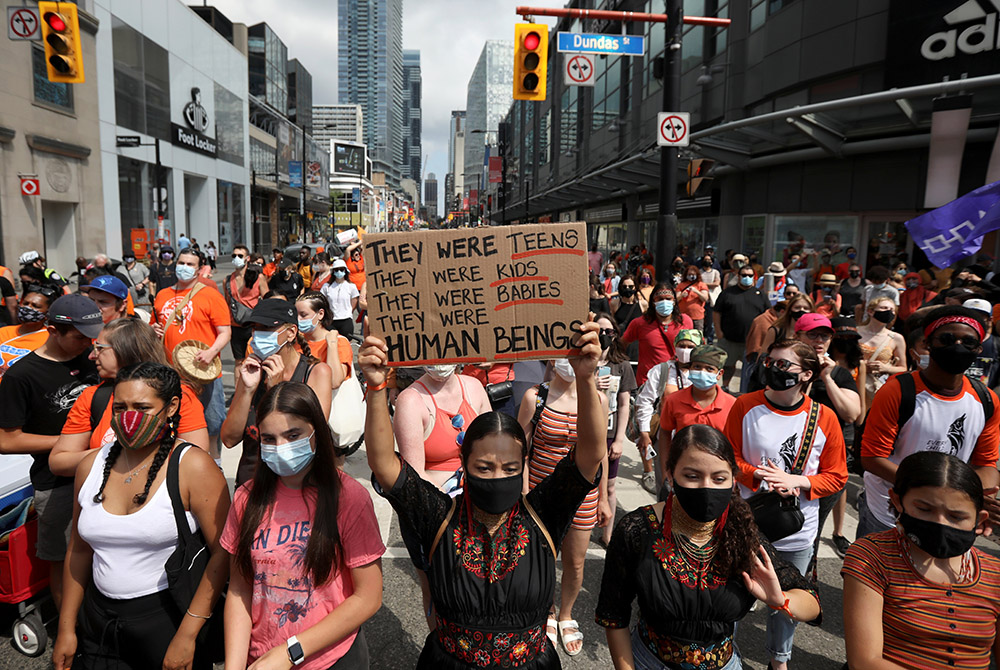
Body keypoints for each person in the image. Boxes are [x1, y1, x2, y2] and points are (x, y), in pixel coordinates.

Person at [361, 319, 606, 669]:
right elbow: (386, 465)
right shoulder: (439, 517)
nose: (498, 477)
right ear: (464, 463)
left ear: (524, 462)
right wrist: (375, 388)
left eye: (509, 468)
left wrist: (586, 378)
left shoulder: (542, 515)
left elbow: (590, 454)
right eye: (484, 468)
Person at [51, 363, 229, 670]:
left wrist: (187, 634)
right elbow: (78, 551)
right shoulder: (90, 466)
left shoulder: (193, 466)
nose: (129, 418)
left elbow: (224, 554)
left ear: (172, 407)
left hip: (167, 620)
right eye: (120, 408)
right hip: (98, 621)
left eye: (142, 407)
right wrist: (67, 627)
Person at [597, 425, 821, 670]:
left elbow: (812, 603)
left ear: (733, 480)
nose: (707, 487)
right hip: (649, 662)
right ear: (670, 475)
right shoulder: (637, 530)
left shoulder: (741, 531)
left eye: (719, 478)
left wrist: (780, 600)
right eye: (692, 476)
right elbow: (614, 614)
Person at [222, 382, 384, 669]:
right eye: (269, 439)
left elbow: (368, 596)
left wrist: (290, 652)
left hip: (330, 660)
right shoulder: (246, 498)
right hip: (261, 659)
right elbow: (239, 589)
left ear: (316, 433)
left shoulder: (349, 498)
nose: (280, 447)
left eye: (293, 435)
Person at [726, 340, 847, 670]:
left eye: (783, 365)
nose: (772, 369)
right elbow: (730, 458)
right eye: (770, 362)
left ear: (806, 374)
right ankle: (725, 654)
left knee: (786, 601)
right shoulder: (745, 406)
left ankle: (779, 660)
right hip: (751, 521)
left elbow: (837, 476)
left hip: (798, 529)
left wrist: (800, 482)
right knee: (737, 592)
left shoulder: (824, 417)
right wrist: (760, 477)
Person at [843, 451, 1000, 670]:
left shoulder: (995, 574)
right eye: (925, 509)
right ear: (898, 501)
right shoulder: (872, 557)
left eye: (956, 517)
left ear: (979, 518)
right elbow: (864, 662)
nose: (940, 523)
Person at [858, 306, 1000, 539]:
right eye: (946, 338)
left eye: (968, 341)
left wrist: (982, 497)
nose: (957, 346)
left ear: (979, 349)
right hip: (889, 514)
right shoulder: (898, 391)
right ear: (928, 343)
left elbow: (986, 463)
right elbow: (872, 458)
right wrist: (946, 492)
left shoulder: (986, 400)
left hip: (947, 517)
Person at [0, 294, 102, 611]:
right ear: (53, 330)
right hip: (56, 482)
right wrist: (69, 442)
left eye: (93, 336)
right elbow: (7, 441)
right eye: (80, 337)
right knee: (64, 559)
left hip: (102, 470)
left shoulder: (92, 358)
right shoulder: (21, 376)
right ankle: (69, 625)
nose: (89, 343)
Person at [519, 356, 611, 656]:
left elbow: (602, 453)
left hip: (584, 498)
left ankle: (566, 614)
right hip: (541, 495)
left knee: (575, 562)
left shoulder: (597, 398)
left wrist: (606, 497)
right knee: (542, 558)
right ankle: (546, 609)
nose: (569, 362)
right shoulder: (535, 397)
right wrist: (522, 492)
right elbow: (521, 450)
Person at [394, 360, 491, 628]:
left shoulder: (474, 387)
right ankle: (440, 648)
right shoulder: (410, 401)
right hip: (435, 517)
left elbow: (494, 447)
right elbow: (415, 475)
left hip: (479, 510)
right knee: (437, 593)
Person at [50, 317, 209, 476]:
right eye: (119, 408)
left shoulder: (180, 395)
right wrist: (114, 453)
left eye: (99, 348)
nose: (92, 356)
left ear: (126, 350)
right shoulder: (92, 396)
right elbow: (60, 461)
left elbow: (196, 457)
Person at [221, 299, 332, 486]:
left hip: (298, 486)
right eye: (255, 328)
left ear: (290, 333)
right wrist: (247, 390)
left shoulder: (315, 372)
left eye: (266, 328)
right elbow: (229, 439)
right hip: (252, 485)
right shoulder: (251, 372)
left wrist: (277, 391)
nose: (258, 335)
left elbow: (317, 435)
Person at [794, 313, 861, 564]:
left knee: (813, 528)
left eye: (825, 335)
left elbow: (852, 413)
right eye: (813, 334)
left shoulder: (840, 374)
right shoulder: (786, 369)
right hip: (793, 457)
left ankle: (805, 576)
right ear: (797, 336)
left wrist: (826, 378)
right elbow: (795, 406)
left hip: (827, 463)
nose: (819, 340)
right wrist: (808, 374)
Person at [151, 248, 230, 459]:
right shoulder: (162, 295)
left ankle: (214, 463)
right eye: (181, 262)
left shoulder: (210, 295)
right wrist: (154, 330)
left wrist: (212, 352)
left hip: (204, 372)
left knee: (212, 424)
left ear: (199, 269)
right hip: (171, 372)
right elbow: (155, 326)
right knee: (173, 423)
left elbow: (225, 332)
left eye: (190, 264)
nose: (183, 267)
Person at [656, 346, 736, 481]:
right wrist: (666, 470)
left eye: (709, 369)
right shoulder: (674, 400)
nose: (702, 372)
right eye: (697, 367)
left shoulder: (732, 405)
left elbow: (737, 444)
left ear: (720, 373)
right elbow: (665, 433)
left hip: (718, 476)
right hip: (684, 473)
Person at [595, 312, 637, 547]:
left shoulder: (621, 365)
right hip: (584, 434)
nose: (603, 336)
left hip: (610, 435)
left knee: (610, 486)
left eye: (608, 332)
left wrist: (620, 439)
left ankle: (607, 535)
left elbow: (624, 404)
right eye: (599, 331)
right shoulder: (581, 363)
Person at [622, 283, 694, 386]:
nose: (664, 302)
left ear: (674, 301)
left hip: (676, 381)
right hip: (648, 383)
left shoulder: (685, 321)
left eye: (668, 298)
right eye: (660, 299)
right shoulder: (639, 323)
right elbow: (621, 345)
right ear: (653, 302)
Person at [713, 264, 771, 389]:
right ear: (738, 276)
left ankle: (746, 391)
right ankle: (725, 387)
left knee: (750, 370)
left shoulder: (760, 295)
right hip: (729, 339)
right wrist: (718, 332)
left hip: (752, 342)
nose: (747, 277)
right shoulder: (727, 293)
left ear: (754, 277)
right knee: (728, 366)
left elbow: (768, 315)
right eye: (744, 275)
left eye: (750, 275)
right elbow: (717, 312)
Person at [295, 292, 356, 391]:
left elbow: (334, 382)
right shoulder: (296, 341)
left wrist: (332, 345)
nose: (298, 319)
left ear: (320, 314)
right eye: (296, 314)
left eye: (303, 315)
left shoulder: (339, 342)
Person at [0, 282, 59, 377]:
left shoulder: (49, 340)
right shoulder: (3, 332)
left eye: (36, 306)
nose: (28, 308)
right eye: (25, 303)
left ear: (47, 313)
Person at [857, 296, 907, 410]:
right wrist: (861, 365)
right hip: (856, 383)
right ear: (870, 311)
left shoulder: (896, 338)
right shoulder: (856, 332)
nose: (889, 311)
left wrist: (885, 368)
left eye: (892, 310)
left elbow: (903, 368)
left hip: (878, 386)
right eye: (884, 308)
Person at [224, 245, 269, 366]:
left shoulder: (258, 278)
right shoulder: (227, 280)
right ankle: (238, 385)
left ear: (247, 258)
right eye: (234, 255)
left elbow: (267, 300)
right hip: (235, 325)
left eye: (240, 256)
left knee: (255, 359)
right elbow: (227, 303)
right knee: (239, 362)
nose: (236, 258)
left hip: (253, 324)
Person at [758, 293, 816, 357]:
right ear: (790, 310)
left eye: (806, 308)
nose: (801, 310)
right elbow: (763, 355)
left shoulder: (815, 332)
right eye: (797, 307)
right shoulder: (776, 331)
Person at [321, 258, 359, 338]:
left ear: (345, 271)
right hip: (331, 320)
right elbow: (322, 300)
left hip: (346, 319)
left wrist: (348, 311)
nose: (339, 272)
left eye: (341, 269)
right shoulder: (327, 286)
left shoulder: (351, 286)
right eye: (336, 270)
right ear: (333, 272)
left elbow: (354, 301)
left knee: (346, 344)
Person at [611, 275, 644, 363]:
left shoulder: (643, 304)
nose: (627, 289)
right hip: (620, 343)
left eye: (630, 286)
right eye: (624, 286)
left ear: (635, 287)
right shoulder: (615, 303)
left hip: (636, 345)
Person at [676, 265, 709, 331]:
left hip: (697, 317)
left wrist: (697, 291)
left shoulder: (701, 285)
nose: (691, 276)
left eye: (693, 274)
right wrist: (681, 295)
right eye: (689, 274)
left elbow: (705, 298)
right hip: (684, 316)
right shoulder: (681, 285)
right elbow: (676, 299)